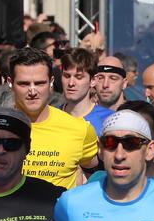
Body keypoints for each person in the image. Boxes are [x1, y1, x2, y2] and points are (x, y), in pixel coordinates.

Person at [9, 48, 100, 190]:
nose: (32, 91)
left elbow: (96, 171)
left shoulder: (80, 129)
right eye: (24, 84)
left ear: (51, 82)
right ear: (10, 83)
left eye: (39, 83)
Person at [59, 49, 114, 135]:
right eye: (67, 76)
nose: (71, 83)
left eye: (79, 77)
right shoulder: (51, 116)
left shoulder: (109, 120)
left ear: (93, 80)